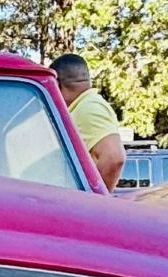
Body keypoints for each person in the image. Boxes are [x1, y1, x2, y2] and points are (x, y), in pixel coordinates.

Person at [49, 54, 124, 190]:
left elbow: (114, 158)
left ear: (57, 84)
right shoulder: (83, 106)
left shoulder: (89, 107)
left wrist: (94, 201)